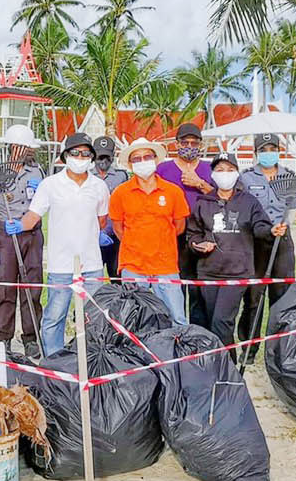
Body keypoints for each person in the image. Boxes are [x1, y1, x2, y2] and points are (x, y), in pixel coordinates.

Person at [12, 132, 109, 357]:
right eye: (75, 153)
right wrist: (19, 225)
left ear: (92, 158)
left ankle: (92, 358)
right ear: (65, 156)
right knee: (55, 317)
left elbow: (101, 219)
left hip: (92, 263)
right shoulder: (50, 184)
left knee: (93, 316)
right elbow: (33, 216)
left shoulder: (99, 186)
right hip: (61, 265)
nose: (80, 157)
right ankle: (55, 361)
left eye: (86, 154)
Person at [187, 152, 273, 352]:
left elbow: (260, 226)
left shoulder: (248, 202)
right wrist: (198, 245)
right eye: (220, 170)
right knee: (210, 322)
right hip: (208, 272)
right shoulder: (203, 202)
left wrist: (271, 230)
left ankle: (228, 367)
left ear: (237, 173)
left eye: (229, 170)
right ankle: (219, 363)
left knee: (221, 322)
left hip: (237, 273)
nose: (225, 174)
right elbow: (192, 235)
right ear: (213, 174)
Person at [107, 138, 189, 324]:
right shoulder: (120, 193)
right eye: (137, 159)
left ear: (155, 160)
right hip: (133, 267)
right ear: (130, 164)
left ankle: (177, 353)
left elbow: (179, 226)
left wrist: (160, 240)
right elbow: (118, 229)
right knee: (133, 321)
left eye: (147, 157)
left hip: (166, 266)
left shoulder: (173, 192)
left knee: (177, 318)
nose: (143, 162)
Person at [0, 123, 45, 360]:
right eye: (18, 146)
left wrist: (27, 222)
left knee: (32, 288)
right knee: (5, 288)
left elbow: (42, 205)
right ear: (10, 146)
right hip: (6, 236)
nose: (22, 151)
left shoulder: (37, 172)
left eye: (26, 147)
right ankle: (3, 340)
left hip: (31, 234)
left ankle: (31, 338)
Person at [236, 132, 293, 345]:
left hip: (282, 242)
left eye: (272, 149)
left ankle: (279, 346)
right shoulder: (246, 177)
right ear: (256, 153)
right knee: (253, 297)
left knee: (282, 295)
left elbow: (293, 208)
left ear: (279, 151)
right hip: (256, 242)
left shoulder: (289, 176)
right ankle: (249, 346)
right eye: (263, 150)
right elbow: (241, 206)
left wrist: (284, 226)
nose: (268, 154)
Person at [157, 121, 214, 325]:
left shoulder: (209, 168)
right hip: (173, 235)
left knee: (199, 289)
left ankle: (198, 335)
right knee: (174, 287)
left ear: (200, 145)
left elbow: (222, 197)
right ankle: (177, 332)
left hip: (202, 234)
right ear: (176, 144)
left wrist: (200, 183)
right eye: (185, 142)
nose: (189, 146)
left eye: (194, 143)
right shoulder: (163, 169)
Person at [91, 135, 129, 279]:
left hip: (115, 236)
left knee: (117, 277)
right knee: (93, 279)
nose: (103, 161)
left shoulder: (121, 176)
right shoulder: (86, 176)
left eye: (107, 157)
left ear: (113, 156)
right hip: (93, 237)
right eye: (100, 157)